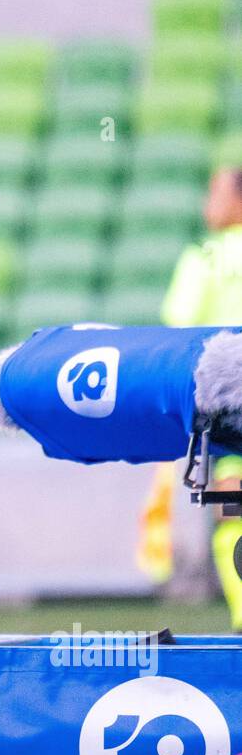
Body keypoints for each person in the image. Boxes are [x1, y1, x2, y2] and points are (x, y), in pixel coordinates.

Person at [138, 168, 242, 626]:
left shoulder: (207, 256)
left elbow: (180, 329)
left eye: (216, 193)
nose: (208, 204)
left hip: (230, 402)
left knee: (232, 508)